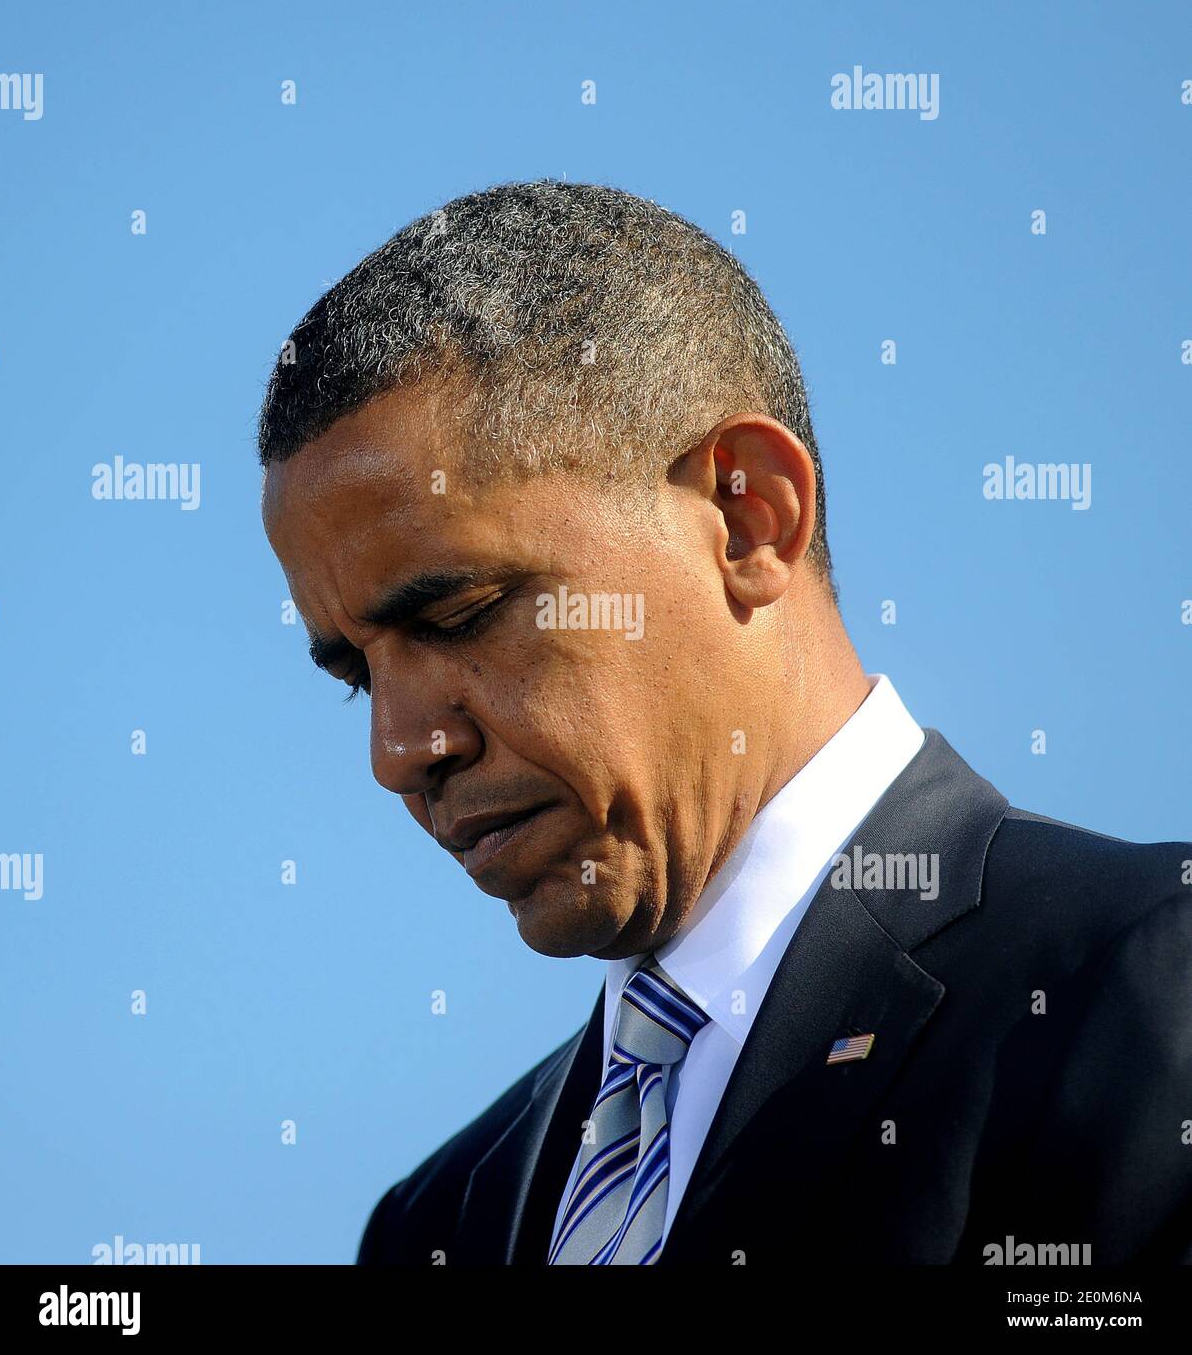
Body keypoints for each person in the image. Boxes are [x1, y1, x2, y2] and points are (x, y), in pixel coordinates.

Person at [258, 180, 1192, 1266]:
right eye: (355, 675)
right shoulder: (438, 1220)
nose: (401, 752)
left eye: (463, 613)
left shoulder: (1138, 986)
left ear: (751, 514)